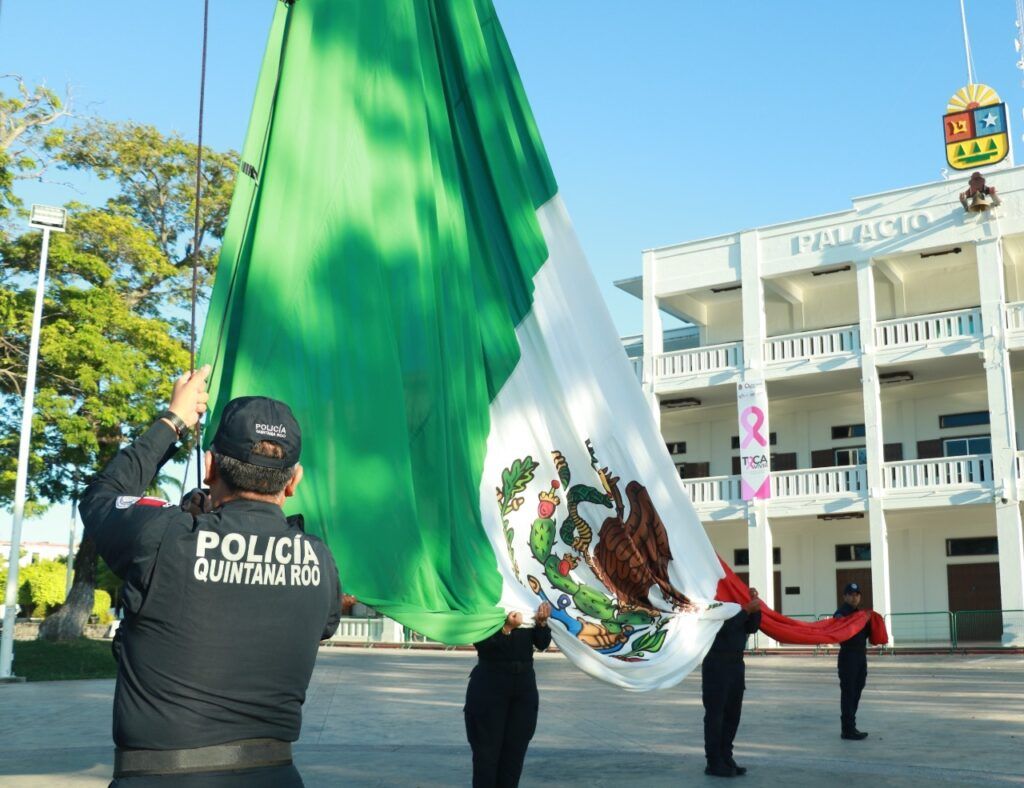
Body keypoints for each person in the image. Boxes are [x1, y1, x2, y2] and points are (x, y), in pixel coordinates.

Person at [80, 366, 341, 786]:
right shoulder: (320, 561)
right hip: (276, 777)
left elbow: (100, 498)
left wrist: (173, 420)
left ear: (209, 467)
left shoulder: (165, 537)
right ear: (294, 481)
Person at [464, 602, 552, 787]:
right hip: (490, 682)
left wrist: (542, 624)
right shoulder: (487, 601)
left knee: (515, 751)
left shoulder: (524, 599)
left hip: (523, 685)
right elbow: (483, 645)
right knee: (486, 752)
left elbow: (542, 643)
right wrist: (507, 628)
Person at [702, 588, 762, 778]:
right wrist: (745, 610)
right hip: (716, 665)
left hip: (736, 665)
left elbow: (751, 627)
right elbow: (725, 629)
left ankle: (726, 756)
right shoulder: (711, 608)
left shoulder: (736, 608)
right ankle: (714, 761)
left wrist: (755, 607)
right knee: (715, 716)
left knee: (732, 715)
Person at [834, 582, 870, 740]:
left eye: (857, 595)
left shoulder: (860, 614)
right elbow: (842, 632)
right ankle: (847, 729)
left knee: (857, 689)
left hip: (860, 656)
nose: (854, 598)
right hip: (848, 656)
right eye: (851, 594)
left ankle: (851, 725)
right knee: (848, 692)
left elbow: (867, 635)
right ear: (844, 596)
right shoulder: (840, 614)